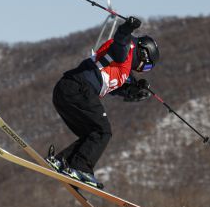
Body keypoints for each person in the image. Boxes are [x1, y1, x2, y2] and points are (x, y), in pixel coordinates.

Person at [45, 16, 159, 189]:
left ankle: (64, 163)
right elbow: (120, 42)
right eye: (147, 67)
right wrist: (127, 28)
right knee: (103, 131)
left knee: (92, 135)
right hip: (77, 88)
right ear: (144, 54)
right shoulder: (126, 51)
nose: (143, 70)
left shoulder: (123, 71)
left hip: (66, 92)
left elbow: (117, 88)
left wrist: (136, 91)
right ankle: (80, 168)